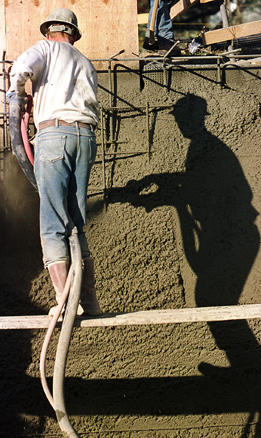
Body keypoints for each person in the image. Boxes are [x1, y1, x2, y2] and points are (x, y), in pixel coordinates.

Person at [7, 8, 101, 315]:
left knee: (51, 222)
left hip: (54, 135)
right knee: (76, 221)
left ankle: (64, 301)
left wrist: (17, 95)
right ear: (73, 33)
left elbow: (20, 68)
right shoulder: (85, 62)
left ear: (49, 33)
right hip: (85, 139)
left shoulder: (46, 48)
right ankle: (88, 300)